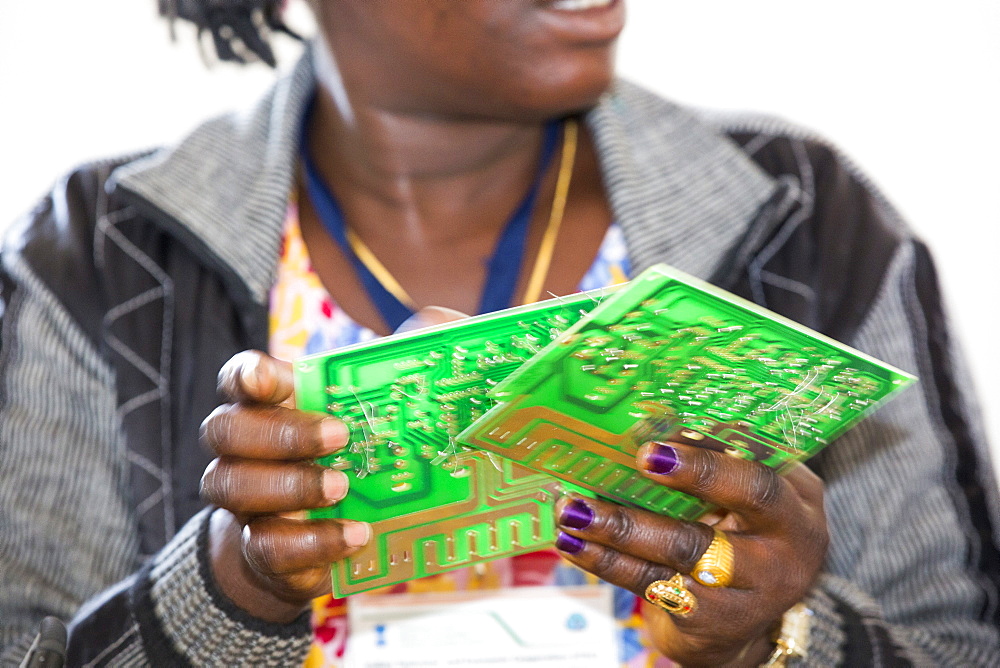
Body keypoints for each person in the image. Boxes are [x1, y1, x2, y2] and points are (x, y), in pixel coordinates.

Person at [1, 0, 998, 665]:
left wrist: (780, 638)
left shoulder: (805, 222)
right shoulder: (99, 257)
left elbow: (958, 641)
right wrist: (225, 589)